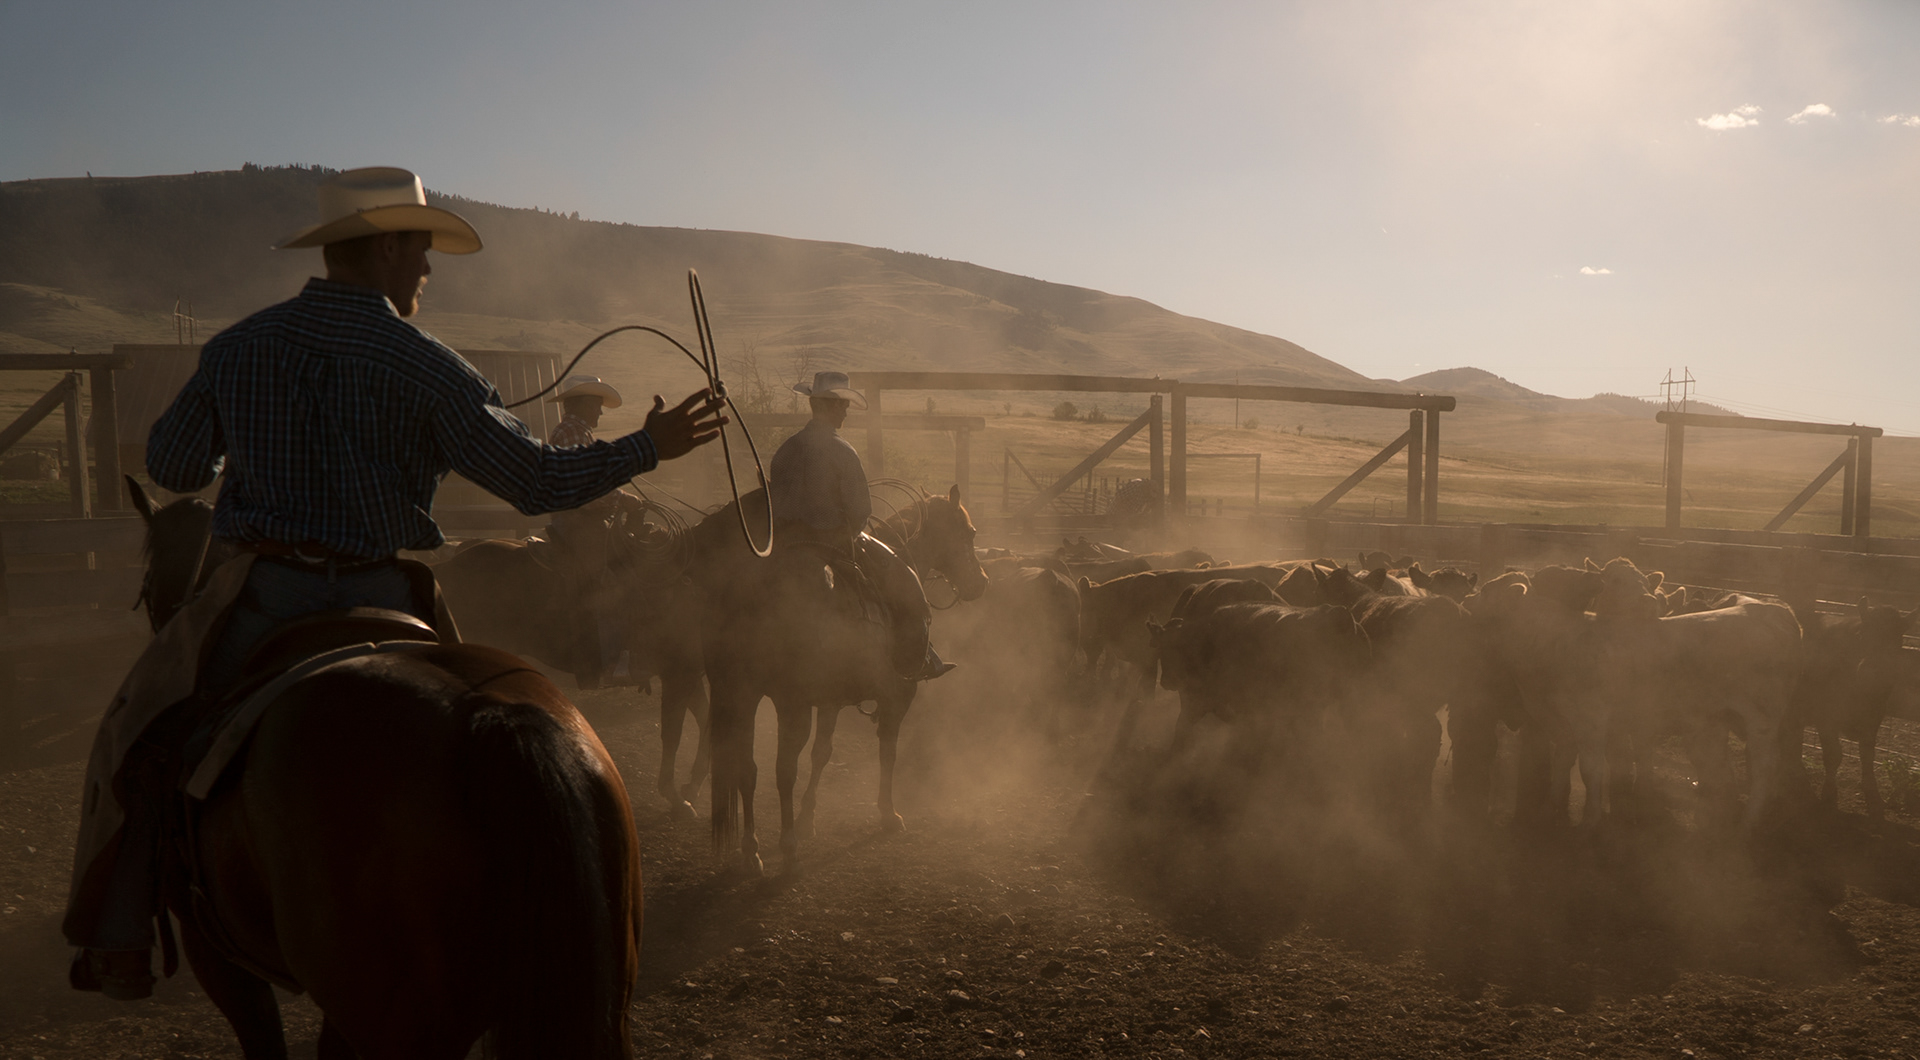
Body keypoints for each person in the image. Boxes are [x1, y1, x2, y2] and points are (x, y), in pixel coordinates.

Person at [65, 166, 727, 999]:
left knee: (140, 729)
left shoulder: (239, 347)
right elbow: (536, 482)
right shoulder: (429, 366)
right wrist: (649, 447)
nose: (428, 269)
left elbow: (173, 466)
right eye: (421, 250)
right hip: (390, 597)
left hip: (262, 597)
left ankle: (118, 933)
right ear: (385, 248)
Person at [769, 370, 954, 681]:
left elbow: (774, 499)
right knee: (907, 583)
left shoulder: (786, 449)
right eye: (842, 405)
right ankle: (915, 660)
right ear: (829, 405)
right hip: (834, 544)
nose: (846, 411)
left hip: (784, 543)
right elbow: (860, 512)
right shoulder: (842, 452)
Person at [544, 374, 639, 684]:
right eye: (597, 405)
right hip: (577, 522)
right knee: (614, 580)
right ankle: (612, 660)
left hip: (578, 518)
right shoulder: (572, 433)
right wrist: (622, 498)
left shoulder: (577, 432)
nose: (600, 412)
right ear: (583, 403)